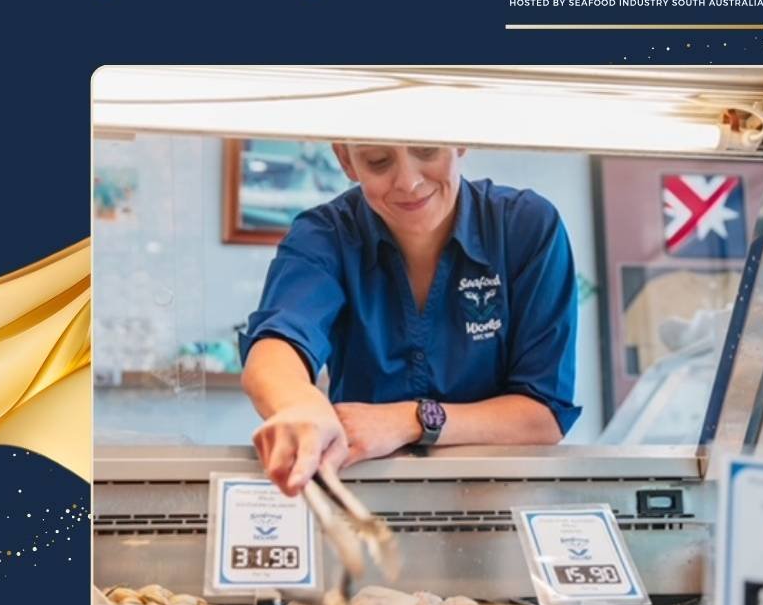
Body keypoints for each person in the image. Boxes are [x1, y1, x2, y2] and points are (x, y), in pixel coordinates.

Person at [239, 144, 580, 496]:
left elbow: (543, 416)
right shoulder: (325, 235)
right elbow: (276, 347)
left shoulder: (525, 226)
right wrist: (299, 403)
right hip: (366, 495)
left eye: (427, 151)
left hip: (500, 498)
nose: (408, 182)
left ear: (460, 141)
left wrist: (410, 420)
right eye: (377, 161)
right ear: (345, 159)